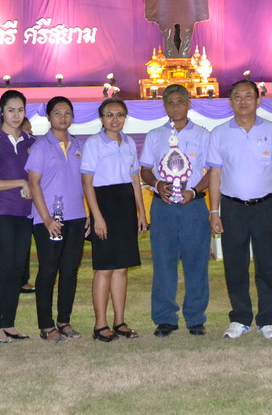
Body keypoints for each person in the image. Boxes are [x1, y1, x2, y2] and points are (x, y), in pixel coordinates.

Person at [207, 80, 272, 340]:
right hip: (231, 208)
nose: (243, 101)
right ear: (230, 102)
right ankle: (240, 318)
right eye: (237, 97)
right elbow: (215, 174)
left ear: (258, 100)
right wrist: (214, 211)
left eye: (248, 96)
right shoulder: (219, 133)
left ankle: (267, 320)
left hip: (265, 207)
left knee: (267, 264)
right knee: (235, 265)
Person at [139, 84, 211, 338]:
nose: (176, 106)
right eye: (170, 102)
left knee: (196, 264)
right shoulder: (154, 135)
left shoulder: (203, 135)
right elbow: (145, 169)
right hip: (164, 207)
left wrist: (196, 191)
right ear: (164, 106)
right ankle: (165, 318)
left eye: (181, 102)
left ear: (189, 104)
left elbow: (213, 170)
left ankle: (195, 318)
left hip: (194, 206)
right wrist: (157, 185)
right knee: (163, 264)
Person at [82, 98, 147, 342]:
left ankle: (120, 321)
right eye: (109, 115)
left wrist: (141, 211)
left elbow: (134, 178)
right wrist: (96, 216)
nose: (115, 119)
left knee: (122, 268)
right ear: (101, 119)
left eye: (120, 114)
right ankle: (100, 325)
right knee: (105, 268)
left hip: (126, 206)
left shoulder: (129, 142)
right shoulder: (93, 144)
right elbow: (87, 183)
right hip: (104, 205)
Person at [26, 97, 87, 342]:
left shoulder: (78, 144)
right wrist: (46, 218)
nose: (63, 117)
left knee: (70, 271)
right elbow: (33, 183)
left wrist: (88, 214)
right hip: (48, 220)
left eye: (67, 113)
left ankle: (64, 320)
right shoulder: (41, 146)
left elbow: (85, 183)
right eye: (57, 113)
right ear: (49, 117)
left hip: (76, 216)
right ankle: (45, 325)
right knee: (48, 271)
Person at [0, 90, 36, 343]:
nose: (16, 115)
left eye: (20, 110)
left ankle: (9, 322)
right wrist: (19, 182)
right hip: (2, 212)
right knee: (3, 267)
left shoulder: (31, 141)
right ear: (2, 111)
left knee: (17, 270)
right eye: (11, 110)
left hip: (25, 214)